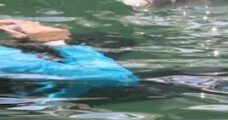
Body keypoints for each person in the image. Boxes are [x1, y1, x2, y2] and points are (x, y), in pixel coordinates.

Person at [0, 19, 138, 85]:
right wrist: (55, 39)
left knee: (110, 41)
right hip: (81, 90)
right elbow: (118, 78)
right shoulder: (6, 61)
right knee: (156, 83)